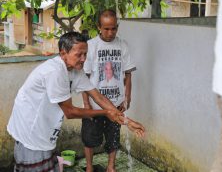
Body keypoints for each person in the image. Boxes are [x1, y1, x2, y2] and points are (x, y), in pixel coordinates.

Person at [7, 32, 144, 172]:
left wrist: (127, 121)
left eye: (85, 54)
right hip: (30, 133)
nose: (83, 59)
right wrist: (106, 112)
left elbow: (98, 97)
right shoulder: (55, 72)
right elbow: (70, 112)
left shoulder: (75, 71)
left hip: (44, 133)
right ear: (63, 53)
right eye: (79, 54)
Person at [82, 9, 136, 172]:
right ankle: (90, 167)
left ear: (117, 27)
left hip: (116, 102)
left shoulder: (122, 45)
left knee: (113, 137)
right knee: (89, 138)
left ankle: (110, 166)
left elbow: (128, 74)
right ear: (99, 26)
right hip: (94, 105)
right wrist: (86, 103)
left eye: (113, 28)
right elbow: (84, 78)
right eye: (106, 28)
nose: (110, 32)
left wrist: (127, 97)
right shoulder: (91, 46)